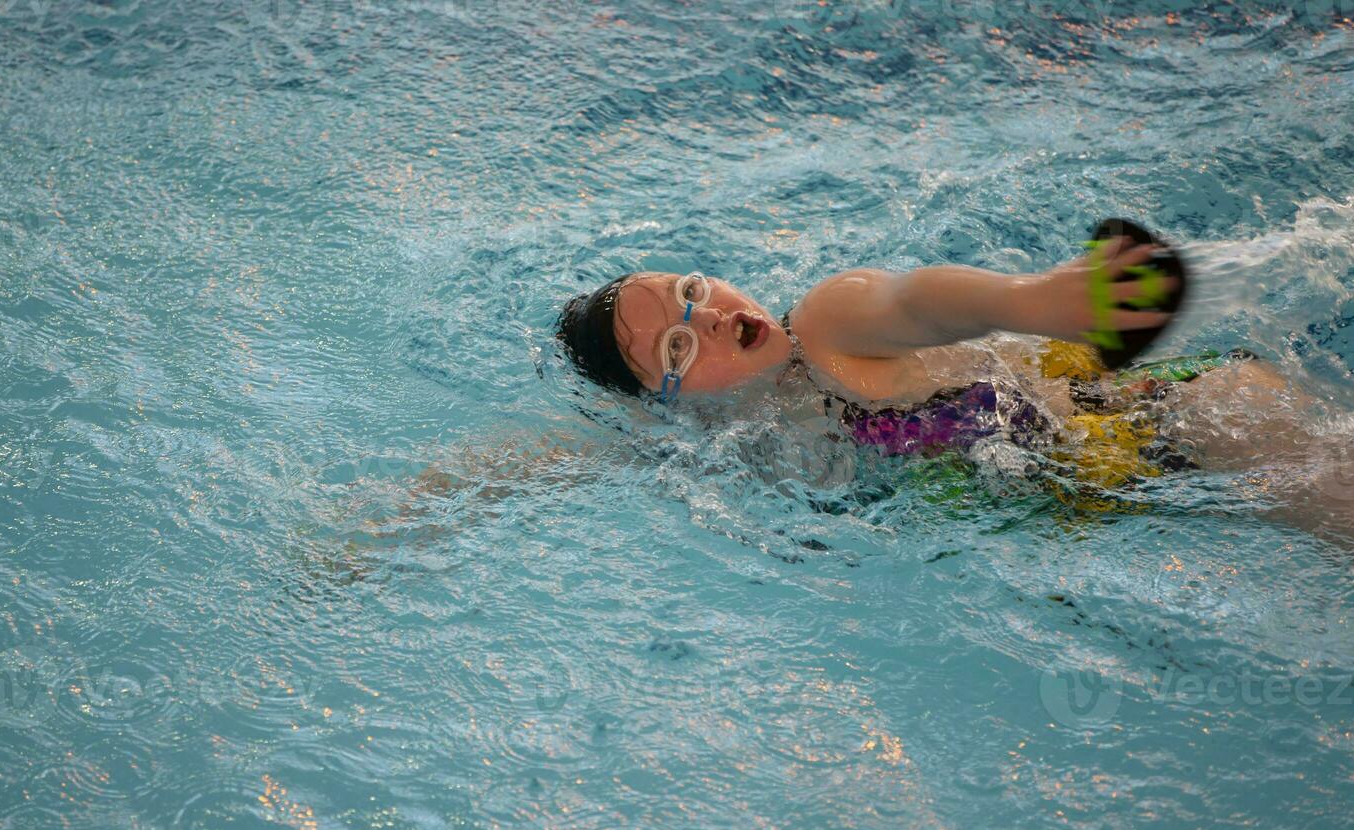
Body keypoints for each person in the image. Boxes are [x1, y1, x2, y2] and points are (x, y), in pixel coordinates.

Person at [555, 232, 1354, 539]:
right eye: (680, 342)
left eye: (694, 288)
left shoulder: (827, 326)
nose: (716, 313)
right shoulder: (739, 449)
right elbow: (560, 455)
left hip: (1190, 417)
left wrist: (1033, 301)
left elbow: (918, 301)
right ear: (671, 402)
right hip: (1143, 493)